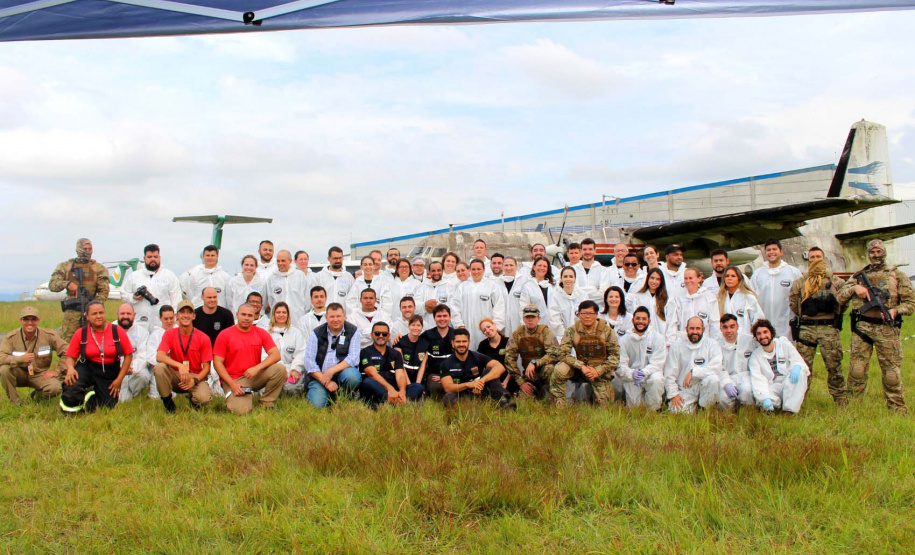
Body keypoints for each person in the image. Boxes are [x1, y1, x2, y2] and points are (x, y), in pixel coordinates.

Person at [837, 239, 914, 412]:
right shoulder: (858, 276)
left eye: (879, 251)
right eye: (872, 251)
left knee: (892, 374)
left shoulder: (897, 275)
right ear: (868, 254)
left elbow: (911, 304)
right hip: (862, 328)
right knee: (857, 370)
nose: (876, 254)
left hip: (887, 329)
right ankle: (854, 410)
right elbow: (839, 298)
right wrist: (854, 289)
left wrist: (895, 311)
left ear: (884, 252)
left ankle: (897, 409)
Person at [788, 247, 847, 405]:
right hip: (807, 329)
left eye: (818, 257)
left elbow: (843, 303)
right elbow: (794, 304)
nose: (815, 259)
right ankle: (799, 401)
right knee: (803, 367)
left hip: (829, 329)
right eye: (812, 257)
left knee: (834, 366)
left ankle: (840, 401)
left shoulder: (836, 282)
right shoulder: (801, 282)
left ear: (824, 259)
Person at [212, 303, 286, 415]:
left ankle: (266, 402)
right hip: (234, 379)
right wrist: (232, 384)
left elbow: (276, 355)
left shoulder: (261, 332)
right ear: (237, 315)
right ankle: (237, 399)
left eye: (250, 315)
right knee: (241, 411)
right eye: (243, 314)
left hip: (253, 375)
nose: (246, 318)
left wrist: (257, 368)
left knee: (280, 369)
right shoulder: (225, 334)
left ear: (254, 317)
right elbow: (217, 362)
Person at [60, 301, 134, 413]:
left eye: (101, 312)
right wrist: (70, 368)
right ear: (87, 316)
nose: (99, 316)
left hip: (109, 370)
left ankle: (90, 393)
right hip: (88, 366)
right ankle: (72, 410)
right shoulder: (81, 333)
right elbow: (71, 356)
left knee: (107, 406)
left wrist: (119, 379)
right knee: (72, 384)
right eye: (94, 314)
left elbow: (128, 355)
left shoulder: (117, 330)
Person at [551, 300, 620, 406]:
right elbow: (562, 353)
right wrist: (581, 366)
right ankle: (558, 404)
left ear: (596, 315)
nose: (587, 316)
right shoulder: (571, 331)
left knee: (606, 406)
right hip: (579, 369)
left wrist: (598, 371)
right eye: (584, 313)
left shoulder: (607, 331)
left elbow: (615, 356)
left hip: (599, 370)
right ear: (578, 314)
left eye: (591, 313)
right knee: (560, 369)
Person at [153, 300, 214, 412]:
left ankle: (194, 400)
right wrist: (180, 366)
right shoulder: (169, 334)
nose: (185, 315)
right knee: (159, 368)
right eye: (182, 312)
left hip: (194, 375)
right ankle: (169, 404)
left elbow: (206, 368)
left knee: (204, 398)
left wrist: (194, 381)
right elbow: (160, 356)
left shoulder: (203, 338)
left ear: (194, 316)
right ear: (177, 316)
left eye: (189, 312)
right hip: (176, 374)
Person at [0, 306, 67, 405]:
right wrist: (20, 358)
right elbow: (1, 357)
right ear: (20, 320)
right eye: (26, 319)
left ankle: (37, 397)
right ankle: (16, 403)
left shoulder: (48, 335)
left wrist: (57, 371)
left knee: (55, 388)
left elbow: (67, 351)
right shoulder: (11, 337)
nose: (30, 323)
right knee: (4, 370)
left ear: (38, 320)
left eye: (33, 319)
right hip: (20, 373)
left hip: (40, 374)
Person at [48, 238, 110, 341]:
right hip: (72, 314)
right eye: (85, 248)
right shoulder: (66, 266)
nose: (87, 251)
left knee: (94, 342)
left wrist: (93, 308)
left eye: (90, 249)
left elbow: (104, 291)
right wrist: (67, 284)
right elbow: (53, 285)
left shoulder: (99, 268)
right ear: (78, 249)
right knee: (66, 346)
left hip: (91, 314)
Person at [303, 303, 363, 408]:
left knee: (353, 377)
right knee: (316, 406)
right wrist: (326, 381)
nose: (335, 320)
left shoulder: (353, 331)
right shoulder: (316, 334)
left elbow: (353, 358)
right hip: (320, 377)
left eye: (338, 316)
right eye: (332, 316)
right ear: (326, 317)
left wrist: (331, 371)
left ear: (344, 316)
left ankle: (344, 398)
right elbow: (309, 362)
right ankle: (326, 395)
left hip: (342, 374)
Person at [439, 329, 514, 409]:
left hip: (480, 391)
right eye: (458, 342)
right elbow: (448, 387)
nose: (461, 344)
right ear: (453, 343)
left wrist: (481, 382)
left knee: (488, 371)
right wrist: (468, 385)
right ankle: (466, 409)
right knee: (448, 397)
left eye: (464, 341)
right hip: (460, 393)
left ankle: (505, 403)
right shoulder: (446, 363)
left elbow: (500, 367)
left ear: (469, 342)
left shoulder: (477, 357)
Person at [748, 319, 809, 413]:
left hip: (788, 381)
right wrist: (764, 398)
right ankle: (773, 407)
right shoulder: (755, 356)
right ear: (756, 337)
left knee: (800, 373)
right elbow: (758, 379)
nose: (763, 336)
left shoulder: (784, 345)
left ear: (771, 333)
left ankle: (789, 411)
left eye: (765, 332)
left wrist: (797, 367)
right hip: (772, 386)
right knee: (766, 401)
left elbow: (799, 362)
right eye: (759, 334)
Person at [663, 316, 722, 414]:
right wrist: (674, 395)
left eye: (698, 328)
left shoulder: (712, 344)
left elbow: (716, 368)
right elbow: (669, 373)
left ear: (703, 329)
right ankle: (693, 408)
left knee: (713, 379)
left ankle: (705, 410)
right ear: (686, 329)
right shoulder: (677, 345)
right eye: (692, 328)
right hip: (685, 389)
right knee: (676, 412)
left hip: (705, 386)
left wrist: (694, 372)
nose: (695, 332)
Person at [359, 322, 424, 407]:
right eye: (377, 333)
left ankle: (397, 401)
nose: (381, 336)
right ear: (372, 335)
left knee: (417, 387)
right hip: (377, 388)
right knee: (368, 382)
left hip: (394, 390)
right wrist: (390, 389)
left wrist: (402, 391)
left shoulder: (395, 353)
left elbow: (400, 375)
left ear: (389, 336)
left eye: (384, 334)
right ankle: (396, 402)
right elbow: (372, 374)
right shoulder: (365, 352)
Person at [613, 306, 666, 410]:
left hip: (651, 374)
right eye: (638, 318)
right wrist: (632, 373)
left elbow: (657, 363)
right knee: (635, 409)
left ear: (649, 321)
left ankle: (654, 410)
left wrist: (644, 372)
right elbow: (621, 365)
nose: (640, 321)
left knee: (657, 379)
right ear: (633, 320)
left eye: (644, 319)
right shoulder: (624, 340)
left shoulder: (657, 338)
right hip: (632, 376)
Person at [122, 244, 182, 333]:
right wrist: (133, 297)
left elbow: (176, 300)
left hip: (162, 325)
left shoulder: (169, 276)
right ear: (144, 258)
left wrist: (173, 321)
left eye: (155, 256)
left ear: (159, 258)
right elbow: (123, 295)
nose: (153, 259)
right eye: (149, 257)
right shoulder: (134, 277)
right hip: (140, 323)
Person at [750, 238, 803, 338]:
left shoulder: (793, 273)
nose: (771, 252)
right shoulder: (757, 274)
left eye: (774, 249)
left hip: (786, 326)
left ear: (781, 252)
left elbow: (801, 297)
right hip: (764, 325)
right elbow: (751, 299)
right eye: (768, 250)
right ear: (765, 253)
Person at [504, 305, 557, 398]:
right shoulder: (517, 334)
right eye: (527, 317)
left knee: (550, 369)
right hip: (530, 376)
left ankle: (550, 394)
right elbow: (509, 359)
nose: (530, 320)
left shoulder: (546, 332)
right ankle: (536, 393)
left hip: (546, 374)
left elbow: (553, 354)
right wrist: (521, 382)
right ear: (523, 319)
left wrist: (535, 363)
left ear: (538, 318)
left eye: (533, 317)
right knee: (523, 402)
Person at [261, 301, 307, 397]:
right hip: (273, 369)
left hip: (292, 369)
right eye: (278, 312)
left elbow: (301, 353)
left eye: (284, 312)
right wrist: (282, 370)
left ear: (288, 315)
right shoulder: (266, 333)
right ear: (273, 314)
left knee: (292, 389)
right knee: (269, 389)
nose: (281, 315)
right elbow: (264, 355)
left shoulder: (296, 332)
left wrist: (295, 369)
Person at [462, 259, 506, 346]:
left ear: (484, 270)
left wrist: (496, 327)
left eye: (479, 269)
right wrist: (459, 325)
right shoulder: (463, 286)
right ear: (469, 270)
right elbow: (455, 307)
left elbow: (499, 307)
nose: (476, 272)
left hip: (486, 331)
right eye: (473, 269)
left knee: (485, 354)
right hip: (467, 328)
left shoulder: (492, 285)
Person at [716, 313, 756, 410]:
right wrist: (726, 383)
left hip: (746, 376)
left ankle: (747, 414)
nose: (729, 330)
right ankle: (730, 417)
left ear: (737, 327)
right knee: (723, 398)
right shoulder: (716, 345)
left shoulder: (749, 340)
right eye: (725, 327)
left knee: (747, 391)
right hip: (728, 378)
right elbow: (718, 367)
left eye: (732, 327)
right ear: (720, 328)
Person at [415, 304, 455, 399]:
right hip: (434, 375)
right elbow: (414, 347)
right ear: (434, 318)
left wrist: (447, 376)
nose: (442, 319)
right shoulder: (427, 335)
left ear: (450, 317)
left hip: (454, 373)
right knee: (436, 388)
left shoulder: (456, 335)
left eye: (445, 316)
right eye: (439, 316)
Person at [670, 268, 720, 342]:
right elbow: (673, 323)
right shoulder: (678, 298)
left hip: (704, 341)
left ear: (699, 279)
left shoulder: (709, 298)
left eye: (691, 278)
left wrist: (714, 342)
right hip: (684, 341)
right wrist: (672, 341)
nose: (688, 281)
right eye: (685, 278)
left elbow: (714, 323)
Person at [114, 303, 151, 402]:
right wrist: (120, 368)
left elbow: (143, 355)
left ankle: (134, 393)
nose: (125, 316)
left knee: (144, 376)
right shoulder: (110, 329)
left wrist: (132, 369)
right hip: (115, 369)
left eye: (128, 314)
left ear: (134, 315)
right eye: (122, 313)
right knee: (121, 400)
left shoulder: (142, 332)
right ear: (117, 314)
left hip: (134, 370)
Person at [266, 249, 312, 326]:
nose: (280, 263)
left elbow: (307, 299)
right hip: (278, 321)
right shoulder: (272, 278)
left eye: (283, 261)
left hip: (298, 319)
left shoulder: (300, 276)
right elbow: (271, 301)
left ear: (290, 261)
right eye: (278, 261)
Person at [627, 267, 673, 342]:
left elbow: (671, 321)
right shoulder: (638, 296)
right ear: (647, 279)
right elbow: (634, 316)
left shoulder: (667, 299)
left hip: (661, 337)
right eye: (652, 278)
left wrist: (669, 341)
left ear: (661, 281)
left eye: (658, 279)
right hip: (642, 338)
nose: (654, 281)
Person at [717, 266, 764, 334]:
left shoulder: (748, 297)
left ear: (739, 279)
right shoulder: (719, 298)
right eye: (727, 276)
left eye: (733, 276)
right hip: (726, 340)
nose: (729, 278)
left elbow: (758, 320)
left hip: (745, 339)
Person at [421, 261, 465, 329]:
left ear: (443, 271)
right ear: (429, 272)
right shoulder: (422, 287)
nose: (436, 273)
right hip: (425, 330)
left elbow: (454, 309)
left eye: (439, 270)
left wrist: (459, 326)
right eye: (433, 271)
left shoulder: (450, 288)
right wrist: (424, 306)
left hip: (445, 330)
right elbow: (414, 308)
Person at [145, 305, 175, 399]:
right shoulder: (155, 335)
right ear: (160, 319)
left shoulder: (180, 331)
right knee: (156, 397)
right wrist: (166, 360)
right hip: (161, 369)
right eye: (166, 319)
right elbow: (150, 356)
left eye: (171, 318)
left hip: (178, 370)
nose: (169, 321)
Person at [549, 266, 588, 340]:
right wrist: (567, 336)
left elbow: (587, 315)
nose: (568, 279)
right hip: (563, 338)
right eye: (565, 276)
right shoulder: (555, 297)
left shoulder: (583, 295)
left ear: (575, 279)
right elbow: (555, 320)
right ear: (561, 278)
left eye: (571, 276)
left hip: (582, 337)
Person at [394, 315, 427, 393]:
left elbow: (422, 366)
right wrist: (409, 385)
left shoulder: (425, 343)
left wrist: (417, 385)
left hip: (418, 378)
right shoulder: (399, 341)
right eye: (413, 325)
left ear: (422, 327)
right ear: (408, 326)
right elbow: (400, 365)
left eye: (418, 325)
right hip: (403, 376)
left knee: (421, 392)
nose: (415, 328)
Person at [574, 238, 610, 308]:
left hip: (598, 311)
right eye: (584, 249)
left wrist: (581, 291)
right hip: (577, 310)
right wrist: (594, 289)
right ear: (580, 251)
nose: (587, 252)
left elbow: (603, 295)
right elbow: (573, 293)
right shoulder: (573, 270)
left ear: (595, 251)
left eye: (590, 249)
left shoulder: (604, 271)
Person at [519, 256, 554, 324]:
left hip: (553, 326)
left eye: (544, 266)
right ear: (534, 267)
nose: (542, 268)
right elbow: (523, 308)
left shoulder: (552, 286)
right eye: (539, 265)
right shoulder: (528, 286)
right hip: (534, 326)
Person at [497, 256, 526, 336]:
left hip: (518, 323)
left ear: (516, 266)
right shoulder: (496, 283)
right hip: (502, 325)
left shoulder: (524, 282)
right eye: (506, 265)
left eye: (511, 265)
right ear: (502, 267)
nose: (508, 268)